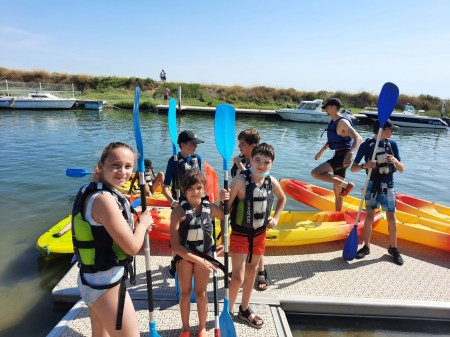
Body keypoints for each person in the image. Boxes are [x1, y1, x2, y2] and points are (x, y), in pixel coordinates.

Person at [71, 142, 153, 336]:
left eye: (127, 166)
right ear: (101, 166)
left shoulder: (92, 190)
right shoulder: (104, 200)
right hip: (105, 285)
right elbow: (132, 247)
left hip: (90, 280)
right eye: (115, 165)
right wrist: (142, 224)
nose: (122, 171)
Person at [221, 143, 286, 329]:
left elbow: (283, 199)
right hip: (240, 234)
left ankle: (244, 308)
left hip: (260, 234)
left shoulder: (271, 182)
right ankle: (228, 311)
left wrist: (276, 217)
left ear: (271, 164)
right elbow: (223, 209)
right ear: (250, 160)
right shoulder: (239, 181)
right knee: (238, 277)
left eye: (266, 162)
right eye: (258, 160)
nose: (261, 165)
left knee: (252, 272)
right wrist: (221, 197)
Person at [170, 170, 224, 337]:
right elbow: (176, 246)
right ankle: (185, 329)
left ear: (205, 189)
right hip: (185, 256)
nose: (195, 192)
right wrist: (199, 261)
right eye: (191, 189)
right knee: (185, 292)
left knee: (201, 294)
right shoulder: (178, 212)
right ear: (184, 190)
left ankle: (202, 328)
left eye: (199, 188)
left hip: (205, 254)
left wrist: (223, 243)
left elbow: (223, 216)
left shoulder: (210, 208)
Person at [350, 119, 405, 265]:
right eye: (390, 129)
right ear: (382, 130)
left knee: (391, 218)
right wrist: (364, 166)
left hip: (388, 185)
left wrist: (395, 161)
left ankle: (394, 248)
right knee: (369, 216)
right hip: (372, 184)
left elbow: (401, 169)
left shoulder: (392, 145)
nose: (392, 132)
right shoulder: (366, 146)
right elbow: (353, 168)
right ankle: (366, 247)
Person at [230, 128, 269, 291]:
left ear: (253, 146)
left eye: (242, 144)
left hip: (258, 208)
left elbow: (254, 179)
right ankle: (238, 270)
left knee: (256, 244)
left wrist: (239, 164)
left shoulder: (257, 163)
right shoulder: (238, 161)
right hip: (241, 207)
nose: (239, 146)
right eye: (239, 143)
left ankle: (261, 272)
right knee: (242, 242)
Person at [163, 130, 204, 277]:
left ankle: (193, 256)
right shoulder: (173, 161)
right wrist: (172, 201)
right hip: (179, 203)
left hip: (195, 202)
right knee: (179, 235)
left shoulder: (196, 158)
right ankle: (175, 260)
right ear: (182, 145)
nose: (195, 147)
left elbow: (200, 181)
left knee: (193, 231)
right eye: (193, 144)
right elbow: (165, 187)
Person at [311, 98, 362, 211]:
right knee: (338, 192)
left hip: (343, 157)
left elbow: (358, 138)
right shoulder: (332, 122)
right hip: (338, 155)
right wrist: (321, 151)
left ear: (333, 107)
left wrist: (351, 153)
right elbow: (332, 141)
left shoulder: (343, 122)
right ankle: (338, 215)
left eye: (327, 108)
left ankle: (346, 185)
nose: (326, 111)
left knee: (315, 173)